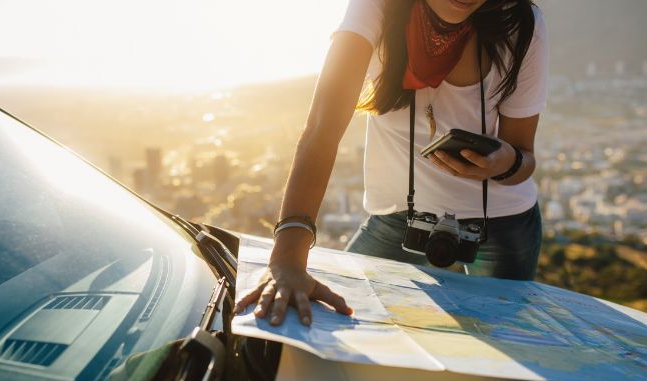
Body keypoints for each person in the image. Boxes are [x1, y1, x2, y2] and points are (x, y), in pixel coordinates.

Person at [233, 0, 548, 326]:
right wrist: (286, 259)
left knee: (500, 338)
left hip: (500, 225)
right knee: (339, 318)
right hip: (400, 215)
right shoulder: (376, 7)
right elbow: (321, 129)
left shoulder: (520, 21)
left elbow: (524, 156)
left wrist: (506, 163)